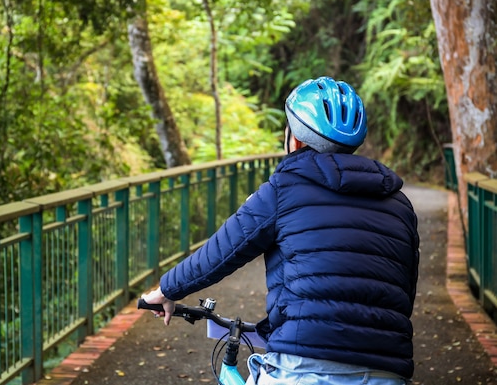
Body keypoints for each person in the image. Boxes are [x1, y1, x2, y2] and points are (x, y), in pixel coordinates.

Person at [142, 76, 420, 385]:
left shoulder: (284, 188)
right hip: (388, 370)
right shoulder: (400, 204)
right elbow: (404, 292)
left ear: (294, 139)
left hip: (303, 366)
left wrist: (166, 290)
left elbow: (222, 252)